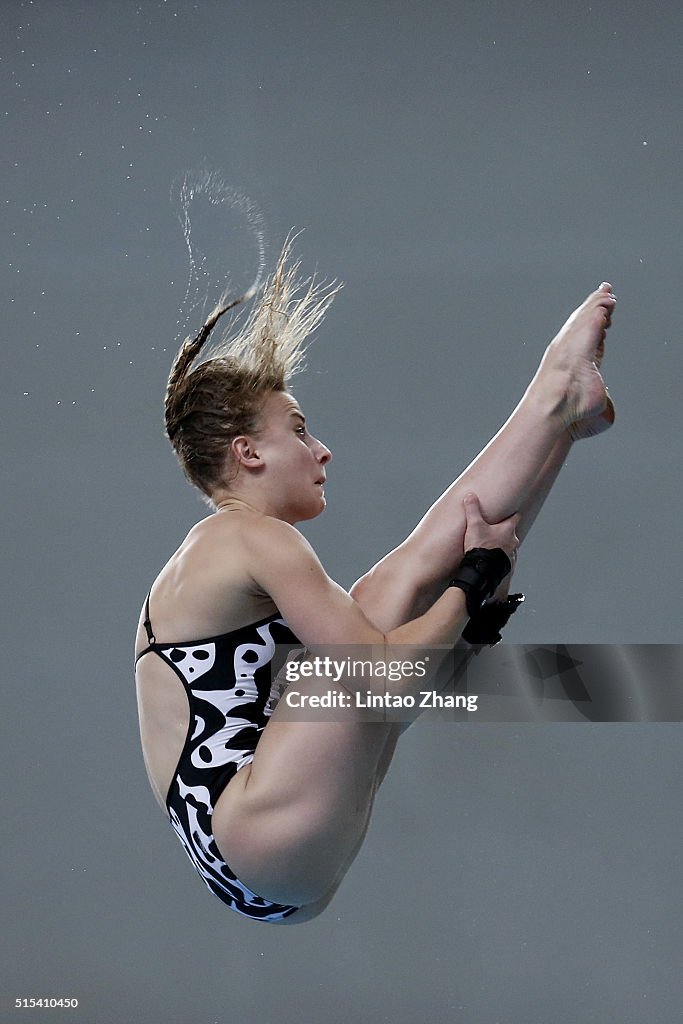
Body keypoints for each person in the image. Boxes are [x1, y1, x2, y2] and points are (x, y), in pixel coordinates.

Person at [134, 238, 617, 923]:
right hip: (252, 831)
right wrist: (468, 583)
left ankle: (562, 419)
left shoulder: (218, 552)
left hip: (264, 861)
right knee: (374, 619)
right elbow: (379, 679)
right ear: (247, 453)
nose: (320, 448)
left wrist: (467, 611)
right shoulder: (247, 534)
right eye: (298, 431)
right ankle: (553, 397)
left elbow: (392, 692)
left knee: (388, 610)